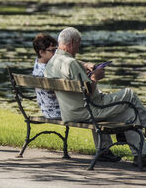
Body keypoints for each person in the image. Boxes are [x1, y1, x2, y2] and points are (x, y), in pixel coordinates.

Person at [45, 27, 146, 167]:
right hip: (89, 110)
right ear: (71, 42)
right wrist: (95, 76)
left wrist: (85, 68)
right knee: (129, 94)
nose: (78, 49)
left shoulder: (52, 63)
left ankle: (138, 155)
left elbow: (61, 85)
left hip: (70, 112)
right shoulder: (71, 63)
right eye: (78, 44)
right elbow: (89, 91)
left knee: (130, 113)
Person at [32, 33, 120, 162]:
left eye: (57, 49)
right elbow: (61, 93)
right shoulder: (47, 72)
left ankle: (107, 146)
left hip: (48, 109)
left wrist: (83, 66)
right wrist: (92, 78)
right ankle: (107, 146)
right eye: (52, 50)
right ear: (41, 52)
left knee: (96, 104)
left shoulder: (39, 64)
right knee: (94, 105)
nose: (56, 53)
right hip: (59, 110)